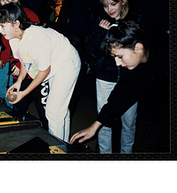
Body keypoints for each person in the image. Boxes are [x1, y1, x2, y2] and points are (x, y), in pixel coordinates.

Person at [70, 20, 170, 153]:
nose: (117, 63)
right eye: (114, 57)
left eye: (120, 56)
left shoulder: (165, 53)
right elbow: (120, 96)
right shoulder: (131, 68)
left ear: (138, 48)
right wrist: (95, 126)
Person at [0, 3, 81, 142]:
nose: (0, 31)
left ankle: (57, 148)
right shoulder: (13, 39)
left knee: (53, 110)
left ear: (16, 24)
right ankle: (63, 144)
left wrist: (24, 92)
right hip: (53, 62)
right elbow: (25, 60)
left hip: (67, 62)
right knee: (59, 110)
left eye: (2, 26)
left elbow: (44, 70)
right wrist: (19, 81)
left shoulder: (37, 38)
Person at [85, 0, 143, 153]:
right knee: (104, 122)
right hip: (105, 78)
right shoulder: (100, 21)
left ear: (123, 0)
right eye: (105, 5)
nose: (109, 9)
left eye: (113, 3)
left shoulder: (135, 21)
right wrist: (103, 33)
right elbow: (91, 51)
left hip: (130, 80)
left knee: (129, 122)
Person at [0, 0, 44, 123]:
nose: (5, 9)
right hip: (21, 67)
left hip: (34, 68)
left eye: (7, 4)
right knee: (18, 102)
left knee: (41, 105)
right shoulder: (6, 22)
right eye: (2, 6)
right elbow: (9, 47)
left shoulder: (28, 15)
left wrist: (18, 63)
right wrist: (3, 59)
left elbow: (33, 50)